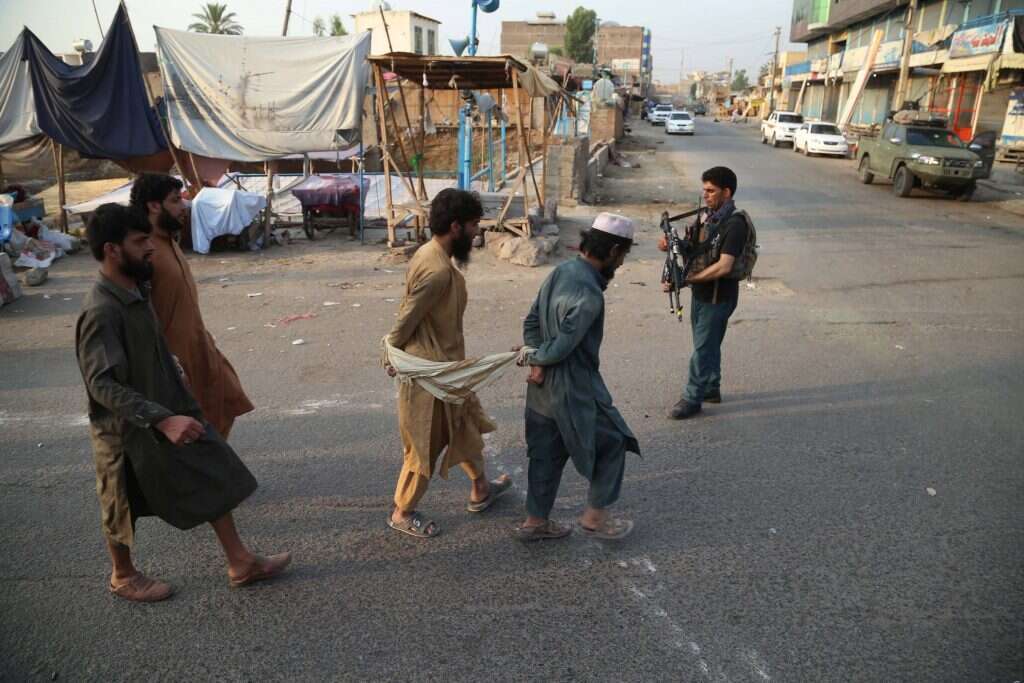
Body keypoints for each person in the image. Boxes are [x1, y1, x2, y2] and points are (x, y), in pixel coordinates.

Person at [76, 204, 290, 602]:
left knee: (211, 467)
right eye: (139, 242)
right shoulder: (101, 310)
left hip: (168, 408)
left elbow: (147, 342)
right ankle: (122, 575)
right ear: (111, 250)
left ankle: (241, 562)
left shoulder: (134, 290)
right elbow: (102, 384)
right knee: (120, 501)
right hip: (128, 429)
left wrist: (169, 364)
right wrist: (162, 421)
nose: (149, 249)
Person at [384, 188, 511, 538]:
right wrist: (391, 353)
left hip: (450, 369)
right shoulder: (435, 269)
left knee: (464, 425)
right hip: (429, 374)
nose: (477, 232)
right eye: (473, 225)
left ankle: (481, 488)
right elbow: (407, 316)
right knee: (424, 443)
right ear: (455, 226)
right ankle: (402, 511)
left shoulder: (434, 257)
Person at [516, 213, 641, 542]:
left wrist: (535, 361)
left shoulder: (562, 271)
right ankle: (595, 517)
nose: (622, 261)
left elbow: (531, 322)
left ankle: (535, 521)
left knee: (546, 452)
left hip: (542, 388)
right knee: (614, 440)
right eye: (624, 254)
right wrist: (539, 357)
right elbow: (563, 345)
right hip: (572, 389)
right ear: (614, 251)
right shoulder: (589, 293)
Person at [130, 173, 254, 439]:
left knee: (227, 405)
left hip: (200, 347)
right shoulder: (144, 251)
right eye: (175, 201)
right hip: (174, 359)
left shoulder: (169, 242)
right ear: (153, 206)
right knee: (191, 427)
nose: (183, 207)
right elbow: (138, 313)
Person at [660, 166, 750, 419]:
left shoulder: (735, 224)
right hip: (701, 294)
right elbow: (693, 250)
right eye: (704, 190)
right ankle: (711, 387)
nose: (706, 195)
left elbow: (725, 265)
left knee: (703, 348)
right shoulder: (706, 217)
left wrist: (687, 280)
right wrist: (668, 245)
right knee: (708, 344)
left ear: (727, 192)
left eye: (711, 191)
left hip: (718, 296)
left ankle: (692, 397)